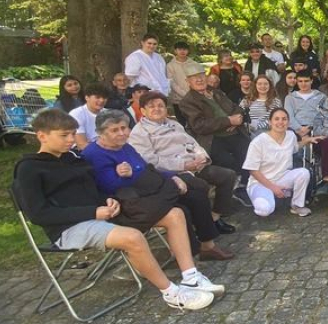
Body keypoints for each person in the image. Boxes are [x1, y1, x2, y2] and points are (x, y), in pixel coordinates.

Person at [13, 109, 223, 311]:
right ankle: (171, 294)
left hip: (102, 214)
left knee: (175, 214)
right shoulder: (29, 168)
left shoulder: (72, 159)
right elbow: (39, 215)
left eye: (72, 134)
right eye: (64, 135)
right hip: (69, 227)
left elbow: (94, 189)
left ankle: (191, 278)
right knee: (132, 238)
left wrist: (108, 201)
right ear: (42, 136)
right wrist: (93, 212)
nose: (71, 139)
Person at [82, 110, 234, 261]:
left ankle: (207, 246)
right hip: (126, 203)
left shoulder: (124, 147)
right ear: (100, 133)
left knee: (196, 195)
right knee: (181, 208)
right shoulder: (94, 154)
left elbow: (147, 168)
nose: (122, 133)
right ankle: (188, 255)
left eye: (124, 128)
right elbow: (109, 188)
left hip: (147, 191)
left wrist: (172, 176)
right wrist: (125, 176)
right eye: (114, 130)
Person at [129, 91, 240, 233]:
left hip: (194, 166)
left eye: (160, 106)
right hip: (171, 173)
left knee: (227, 175)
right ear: (143, 111)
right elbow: (151, 161)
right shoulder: (139, 133)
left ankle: (215, 217)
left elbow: (192, 143)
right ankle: (203, 228)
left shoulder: (173, 124)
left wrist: (202, 157)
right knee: (201, 186)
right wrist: (183, 165)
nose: (157, 109)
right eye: (151, 106)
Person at [177, 62, 252, 205]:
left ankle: (248, 186)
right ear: (188, 82)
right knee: (228, 161)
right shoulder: (187, 102)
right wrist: (228, 121)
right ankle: (237, 190)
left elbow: (235, 107)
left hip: (234, 132)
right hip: (212, 139)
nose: (198, 80)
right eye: (193, 78)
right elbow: (199, 125)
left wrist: (238, 118)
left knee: (250, 152)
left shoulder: (216, 91)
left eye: (200, 75)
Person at [242, 107, 317, 217]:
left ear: (288, 122)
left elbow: (295, 148)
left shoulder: (290, 136)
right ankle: (266, 197)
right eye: (276, 119)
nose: (280, 122)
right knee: (264, 210)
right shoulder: (258, 141)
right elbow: (253, 170)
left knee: (303, 173)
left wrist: (308, 140)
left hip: (282, 178)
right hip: (261, 183)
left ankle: (297, 205)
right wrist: (273, 188)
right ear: (270, 122)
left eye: (284, 119)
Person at [70, 84, 110, 150]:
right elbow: (81, 144)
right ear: (87, 97)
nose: (102, 100)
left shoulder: (109, 113)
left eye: (104, 98)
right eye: (97, 97)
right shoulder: (77, 114)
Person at [285, 73, 324, 139]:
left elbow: (324, 115)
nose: (303, 84)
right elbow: (288, 116)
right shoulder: (290, 97)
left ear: (311, 81)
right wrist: (299, 128)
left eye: (306, 81)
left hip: (316, 129)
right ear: (297, 82)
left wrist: (311, 127)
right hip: (295, 130)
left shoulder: (321, 96)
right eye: (300, 81)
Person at [166, 42, 195, 114]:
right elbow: (171, 82)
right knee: (181, 121)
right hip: (177, 99)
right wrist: (184, 94)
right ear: (175, 51)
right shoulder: (170, 66)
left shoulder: (194, 64)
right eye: (179, 49)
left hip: (193, 98)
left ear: (188, 51)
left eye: (185, 49)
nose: (182, 51)